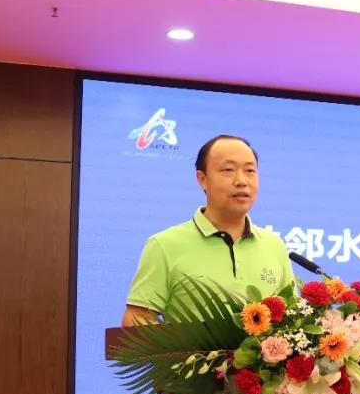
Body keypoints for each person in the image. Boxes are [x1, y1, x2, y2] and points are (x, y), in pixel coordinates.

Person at [122, 135, 294, 326]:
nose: (241, 181)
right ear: (202, 179)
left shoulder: (274, 246)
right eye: (228, 170)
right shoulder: (164, 245)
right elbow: (136, 320)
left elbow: (292, 322)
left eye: (250, 171)